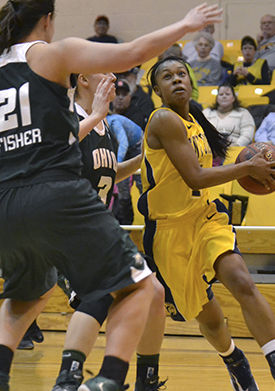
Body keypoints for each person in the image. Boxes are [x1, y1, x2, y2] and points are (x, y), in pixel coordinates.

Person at [0, 1, 224, 391]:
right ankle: (105, 381)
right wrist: (186, 24)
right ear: (48, 20)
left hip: (6, 203)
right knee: (141, 286)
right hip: (55, 194)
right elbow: (133, 53)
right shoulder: (51, 55)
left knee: (28, 293)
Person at [138, 55, 275, 391]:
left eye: (182, 73)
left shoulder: (194, 119)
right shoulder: (164, 119)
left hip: (205, 217)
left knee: (242, 280)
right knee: (209, 320)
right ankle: (235, 360)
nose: (177, 80)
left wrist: (249, 164)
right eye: (167, 77)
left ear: (191, 81)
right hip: (168, 232)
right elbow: (195, 176)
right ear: (156, 89)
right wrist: (248, 168)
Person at [50, 72, 167, 391]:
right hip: (65, 228)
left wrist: (145, 160)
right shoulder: (65, 114)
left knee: (155, 293)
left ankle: (147, 380)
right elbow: (52, 154)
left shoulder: (105, 125)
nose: (114, 75)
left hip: (97, 229)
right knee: (100, 293)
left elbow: (106, 175)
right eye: (105, 69)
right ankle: (69, 379)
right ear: (84, 78)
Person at [106, 113, 144, 226]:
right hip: (124, 149)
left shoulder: (113, 122)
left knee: (142, 184)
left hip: (137, 145)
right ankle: (126, 223)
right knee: (123, 190)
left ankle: (150, 219)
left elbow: (124, 143)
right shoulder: (104, 124)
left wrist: (116, 164)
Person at [203, 82, 255, 148]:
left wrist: (236, 145)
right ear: (217, 98)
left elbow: (247, 134)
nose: (224, 96)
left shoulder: (243, 112)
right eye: (221, 94)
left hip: (236, 148)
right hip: (210, 148)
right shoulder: (207, 112)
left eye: (227, 94)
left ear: (233, 98)